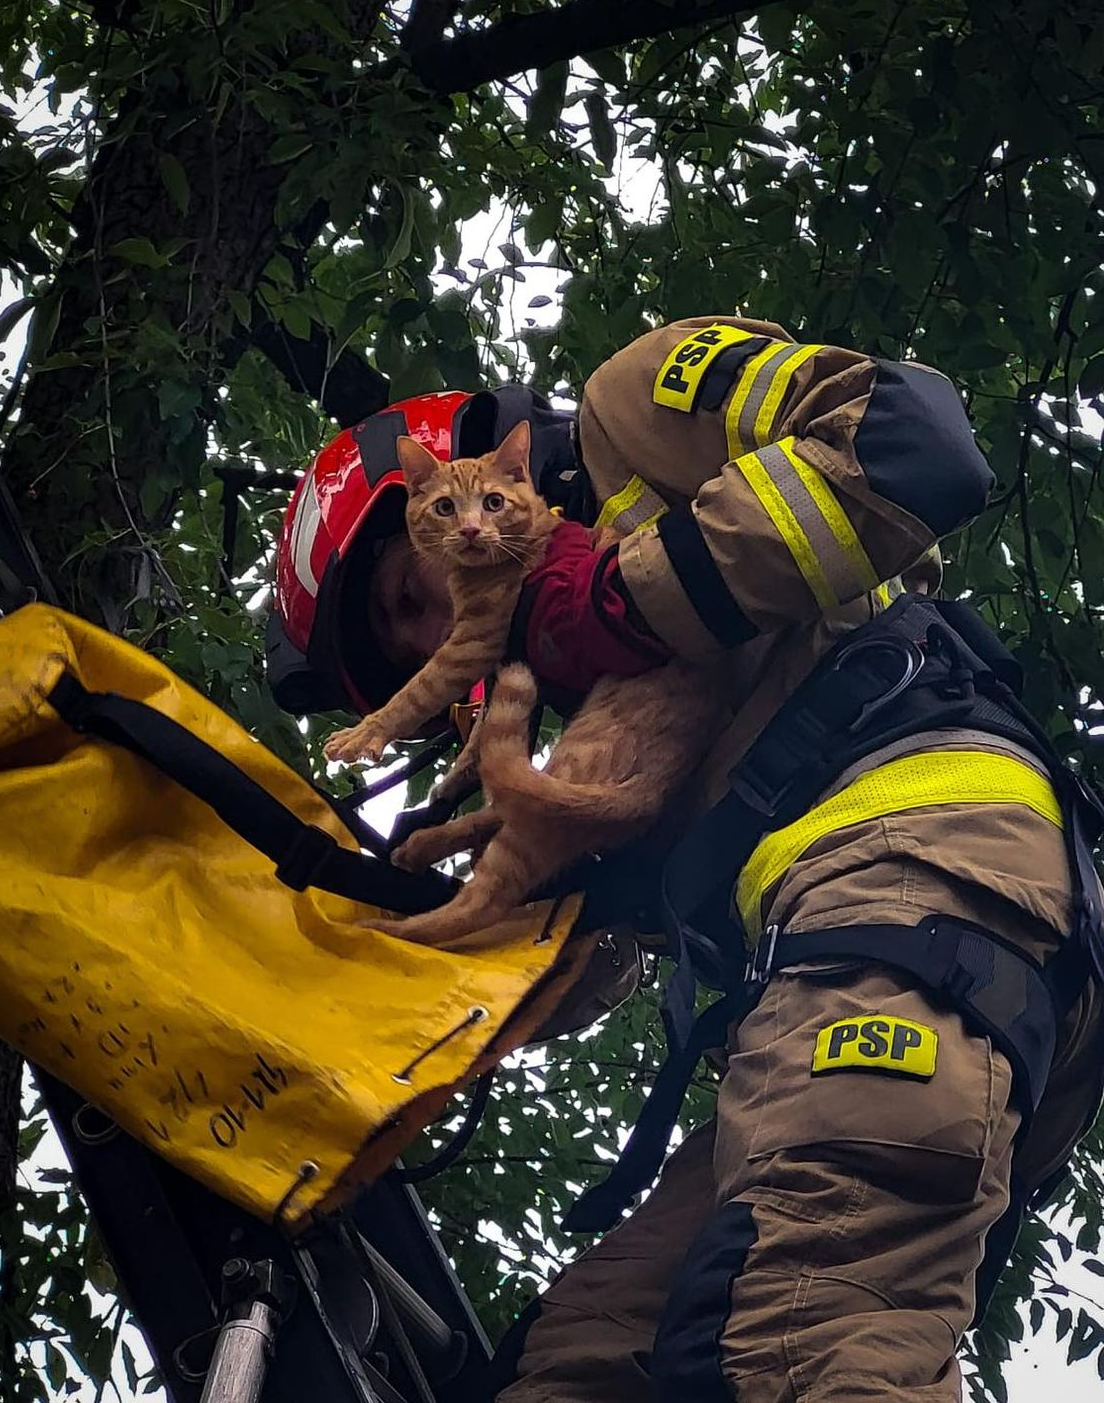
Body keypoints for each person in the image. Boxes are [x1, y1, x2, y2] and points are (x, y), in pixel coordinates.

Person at [270, 317, 1104, 1403]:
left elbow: (912, 441)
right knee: (579, 1364)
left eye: (407, 600)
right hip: (889, 977)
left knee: (795, 1346)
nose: (439, 639)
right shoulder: (594, 704)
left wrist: (634, 596)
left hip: (918, 878)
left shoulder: (630, 409)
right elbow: (561, 957)